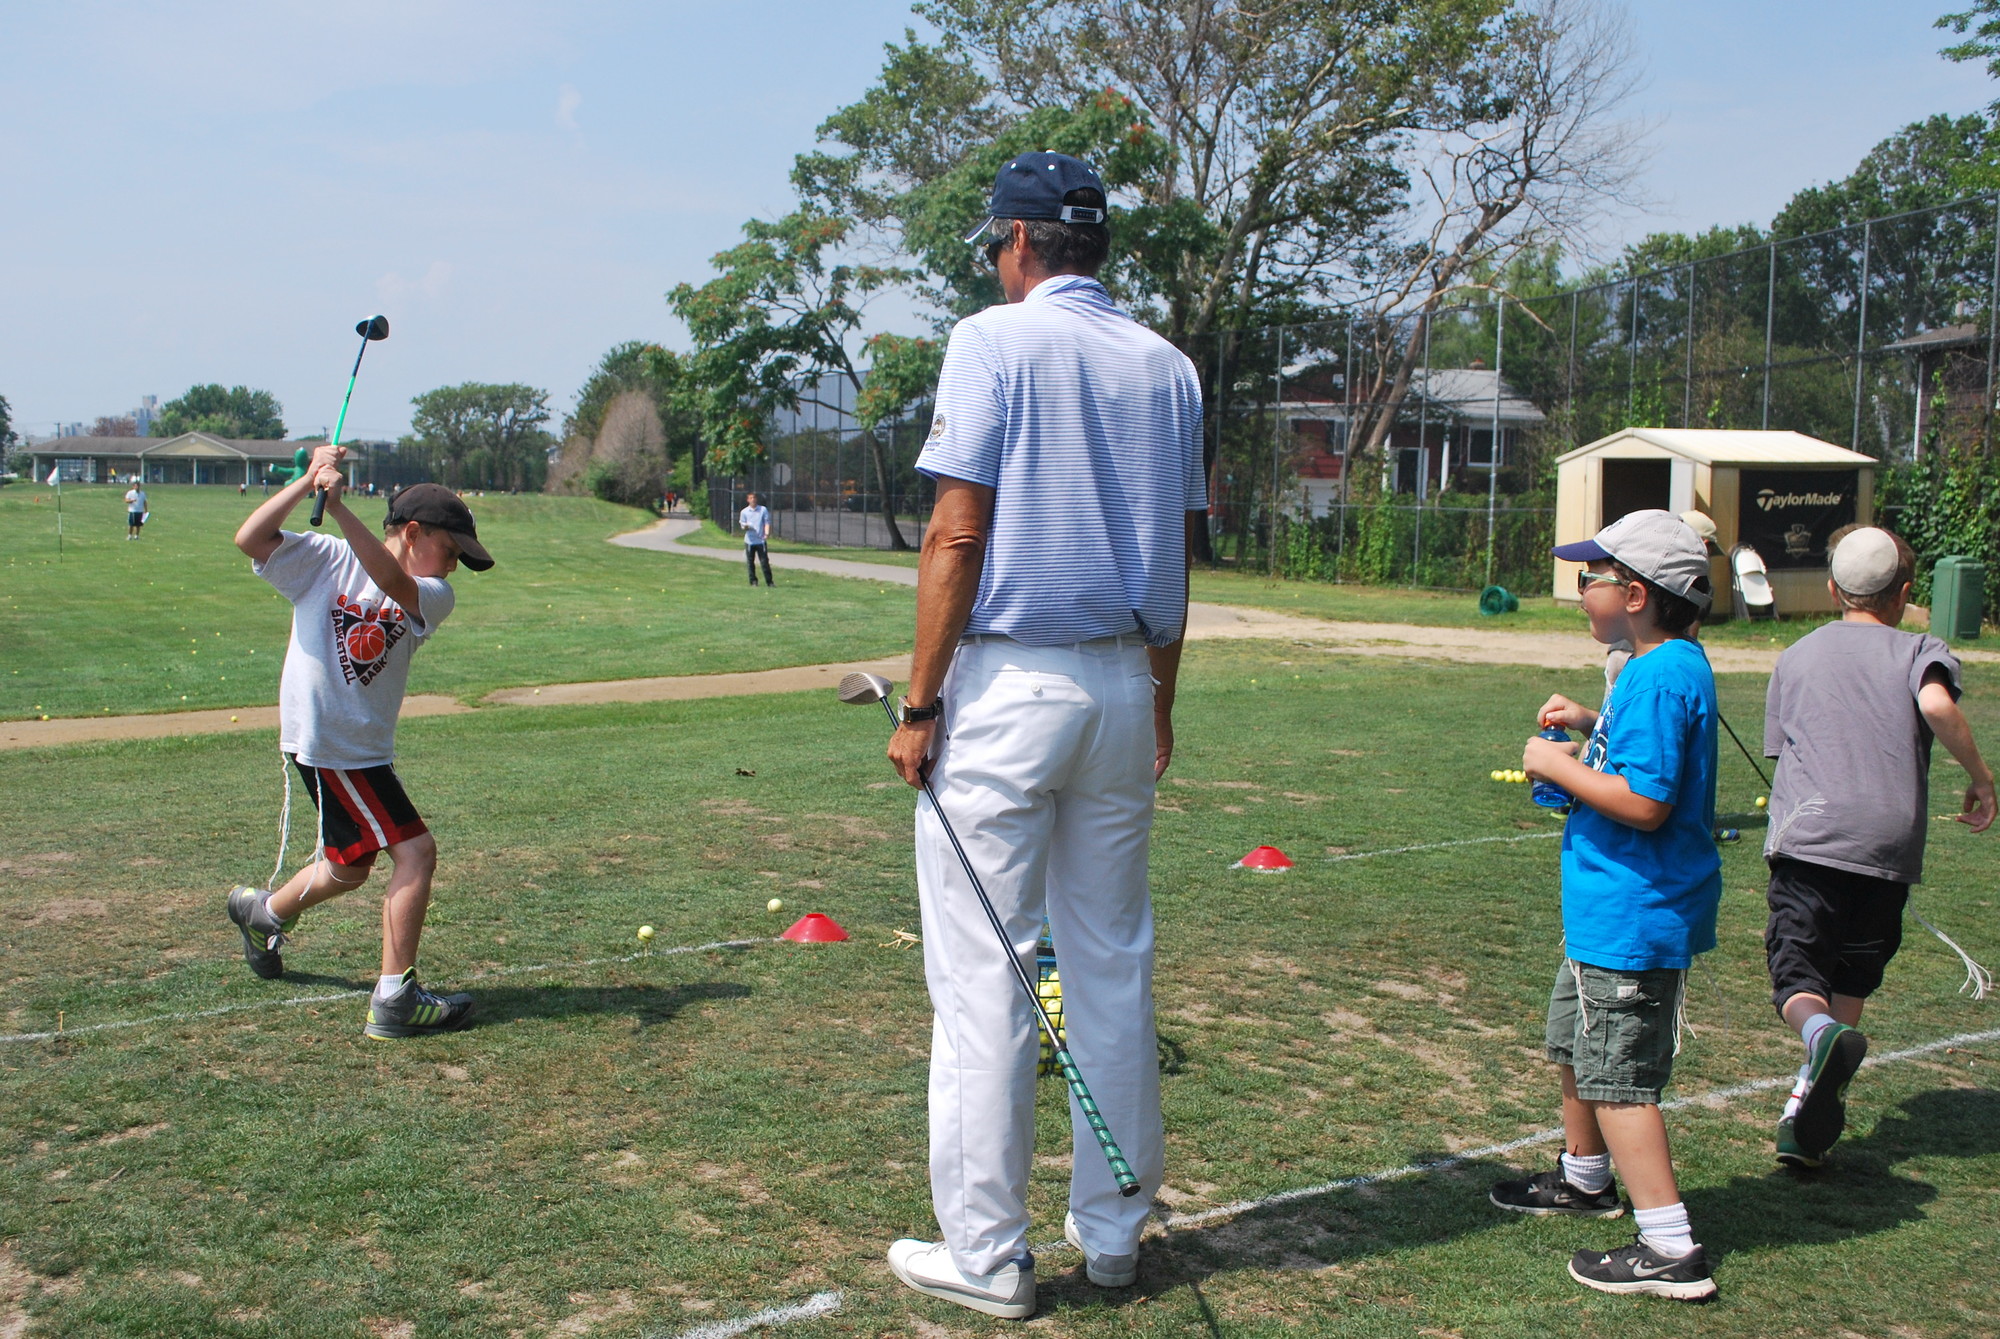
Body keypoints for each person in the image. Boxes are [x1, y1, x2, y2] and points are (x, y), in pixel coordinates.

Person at [881, 151, 1205, 1321]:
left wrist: (919, 705)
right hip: (1124, 685)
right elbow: (1173, 558)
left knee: (985, 980)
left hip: (1010, 691)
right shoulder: (1167, 367)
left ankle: (986, 1256)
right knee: (1109, 962)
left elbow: (953, 537)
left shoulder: (990, 339)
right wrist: (1159, 699)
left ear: (1019, 242)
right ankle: (1114, 1233)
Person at [1492, 509, 1722, 1303]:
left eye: (1589, 578)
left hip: (1634, 912)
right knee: (1578, 1044)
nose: (1579, 589)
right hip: (1609, 910)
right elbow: (1639, 756)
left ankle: (1670, 1245)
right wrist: (1591, 728)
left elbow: (1646, 799)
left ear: (1633, 592)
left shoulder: (1659, 674)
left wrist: (1548, 761)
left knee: (1620, 1078)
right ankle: (1585, 1177)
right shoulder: (1661, 664)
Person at [225, 454, 494, 1040]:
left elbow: (391, 583)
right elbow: (250, 537)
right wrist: (309, 482)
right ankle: (395, 998)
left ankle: (262, 913)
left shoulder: (433, 592)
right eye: (451, 550)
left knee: (350, 867)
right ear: (415, 533)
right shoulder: (324, 559)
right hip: (330, 742)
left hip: (360, 747)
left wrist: (340, 506)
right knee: (416, 854)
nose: (454, 565)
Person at [1760, 525, 1995, 1167]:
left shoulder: (1797, 654)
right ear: (1906, 592)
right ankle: (1803, 1108)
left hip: (1810, 839)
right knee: (1853, 972)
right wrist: (1980, 777)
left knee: (1798, 976)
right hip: (1888, 849)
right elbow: (1937, 704)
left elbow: (1781, 752)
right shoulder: (1921, 647)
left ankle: (1818, 1037)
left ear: (1833, 587)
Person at [740, 491, 774, 587]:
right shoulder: (744, 512)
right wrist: (746, 527)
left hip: (760, 540)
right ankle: (753, 582)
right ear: (748, 500)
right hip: (749, 541)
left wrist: (766, 533)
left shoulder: (763, 510)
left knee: (764, 562)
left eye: (754, 498)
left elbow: (767, 522)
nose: (753, 500)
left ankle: (769, 582)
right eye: (751, 498)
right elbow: (743, 526)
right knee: (750, 562)